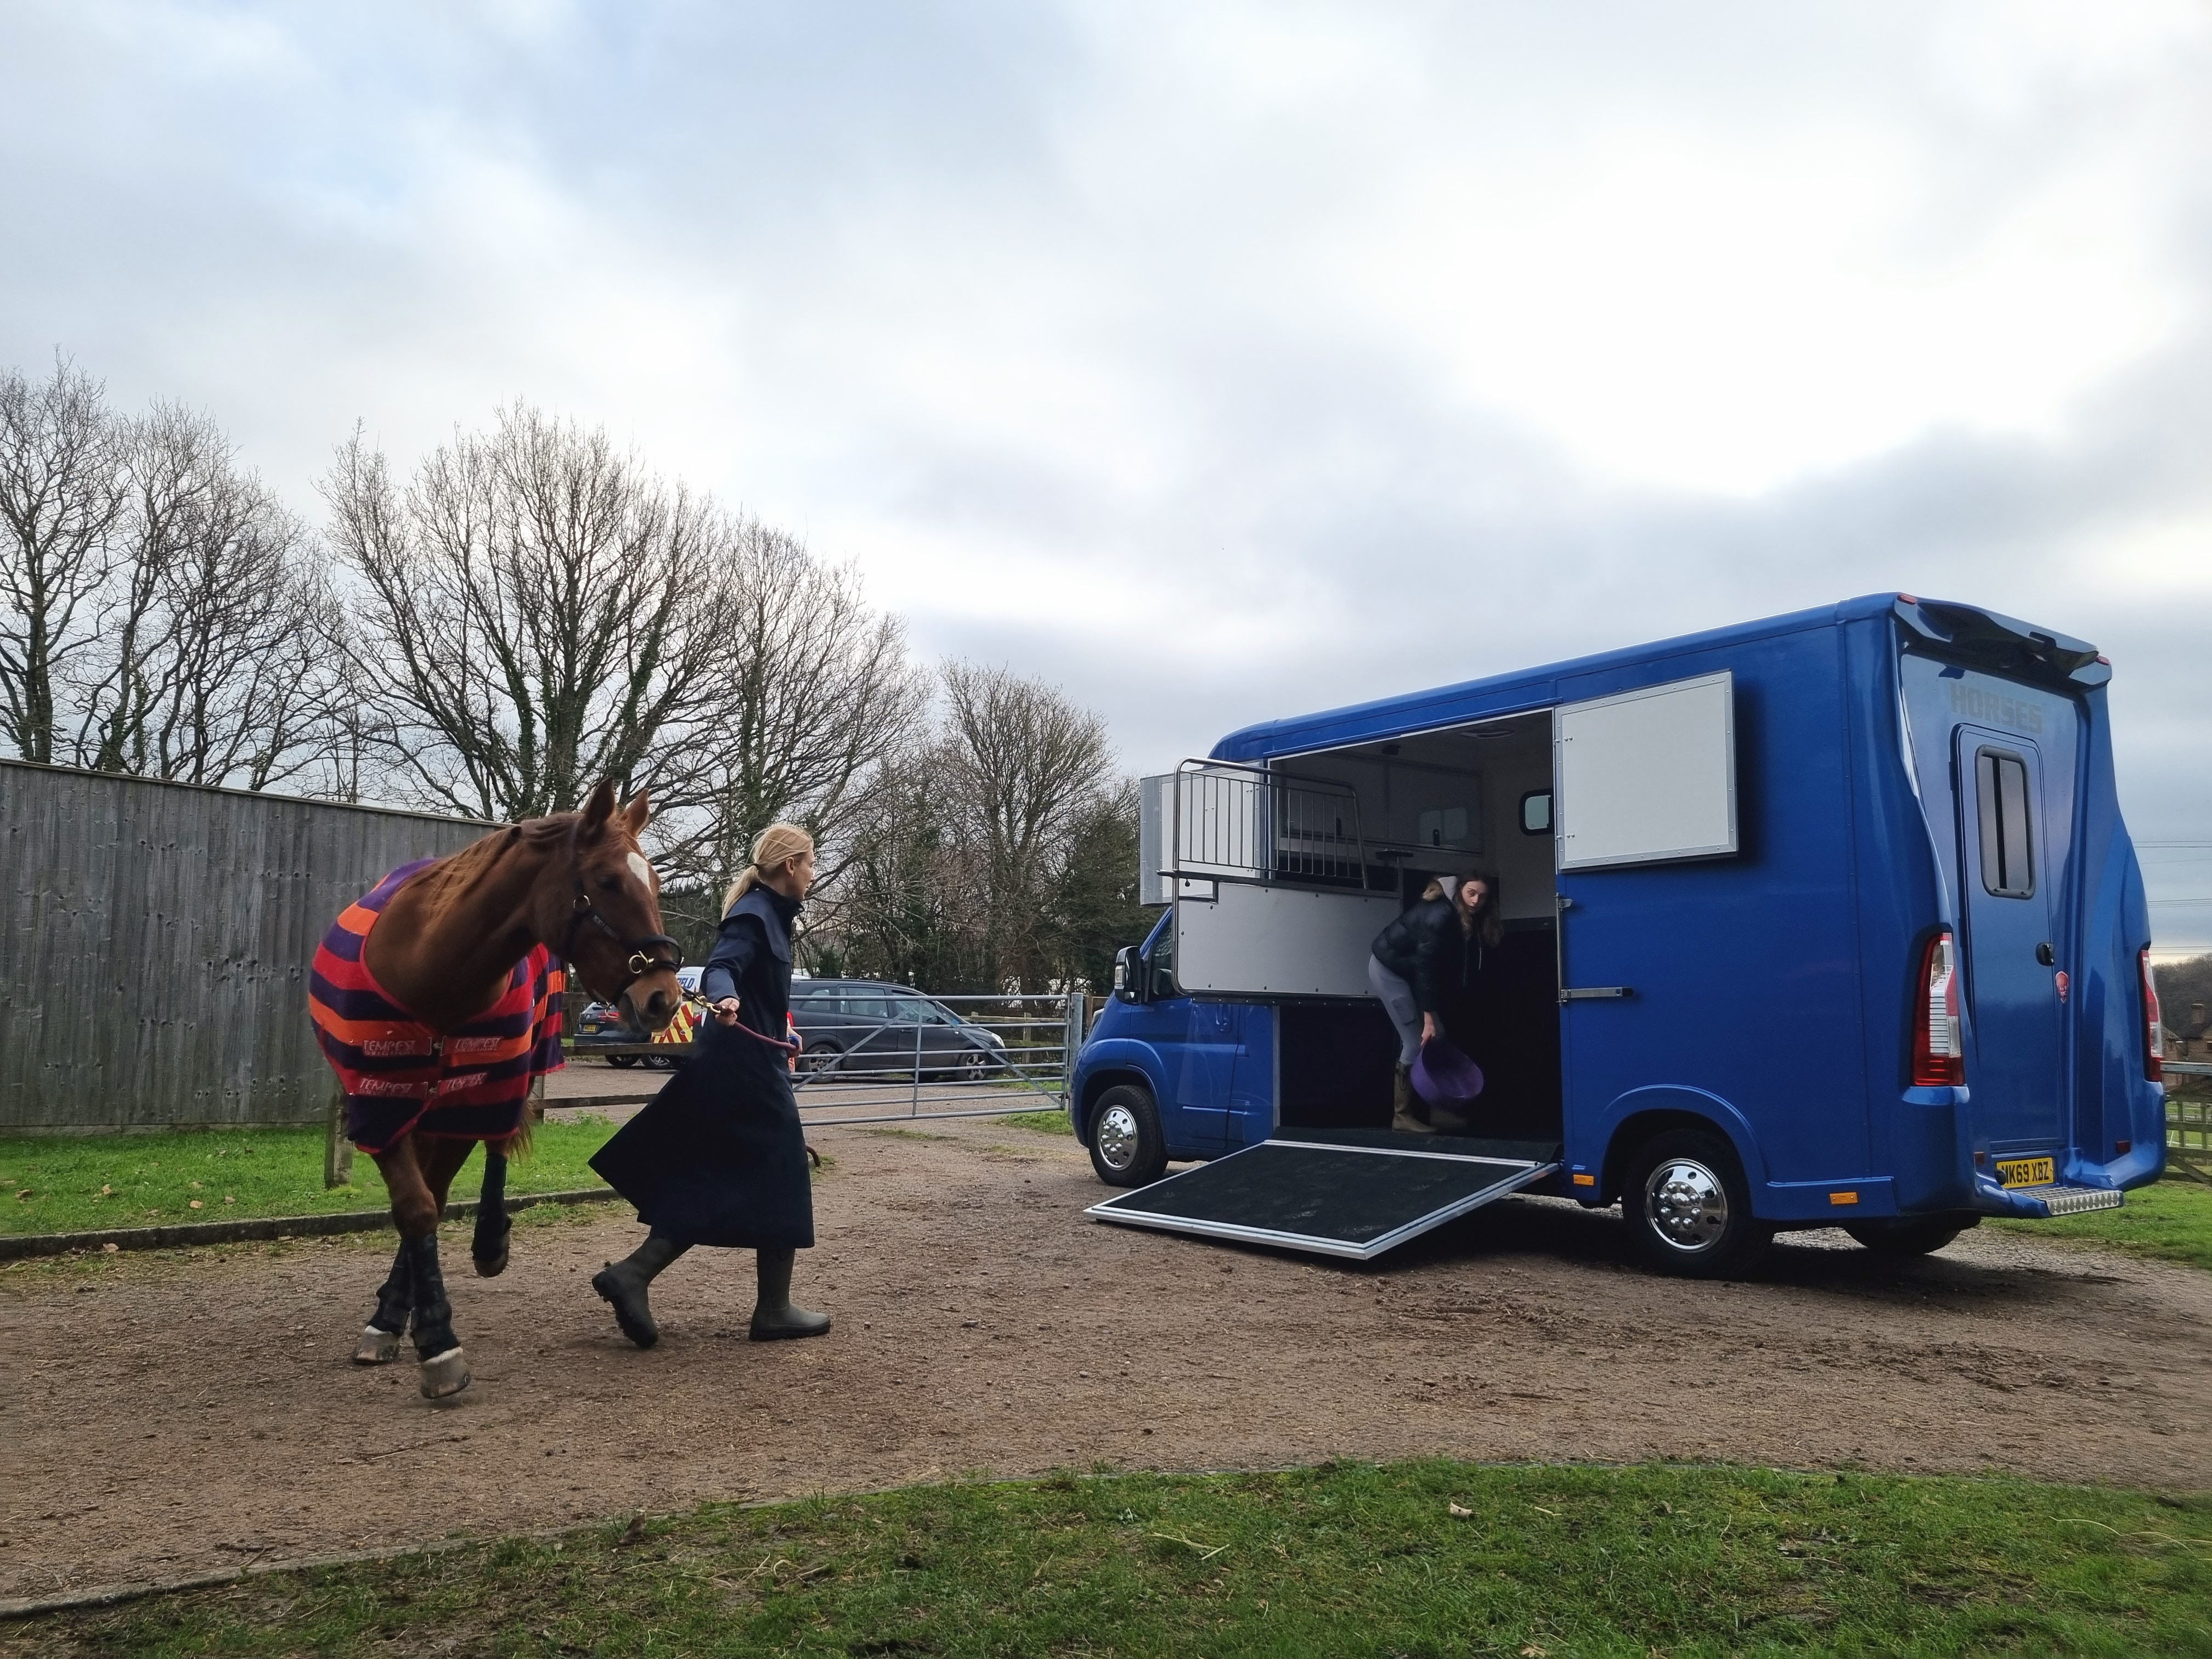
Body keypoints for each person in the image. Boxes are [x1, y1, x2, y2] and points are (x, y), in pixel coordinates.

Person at [589, 823, 830, 1347]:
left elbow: (758, 989)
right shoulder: (753, 914)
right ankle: (772, 1309)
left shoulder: (770, 914)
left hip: (749, 1058)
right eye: (811, 863)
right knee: (783, 1169)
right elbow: (722, 967)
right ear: (790, 865)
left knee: (720, 1174)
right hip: (743, 1067)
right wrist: (726, 997)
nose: (814, 874)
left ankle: (635, 1273)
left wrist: (780, 1030)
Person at [1367, 871, 1504, 1133]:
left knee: (1439, 1037)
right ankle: (1402, 1115)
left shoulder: (1463, 915)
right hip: (1389, 971)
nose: (1476, 901)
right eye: (1471, 893)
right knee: (1415, 1041)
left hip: (1412, 973)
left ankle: (1440, 1108)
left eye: (1482, 896)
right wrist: (1429, 1017)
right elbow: (1426, 967)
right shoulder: (1440, 915)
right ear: (1460, 890)